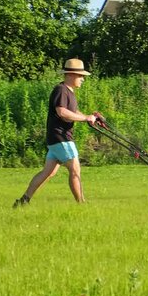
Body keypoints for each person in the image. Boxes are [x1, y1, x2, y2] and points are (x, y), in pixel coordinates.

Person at [13, 58, 97, 208]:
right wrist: (85, 118)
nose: (83, 79)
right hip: (61, 137)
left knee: (48, 172)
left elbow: (72, 111)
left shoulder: (69, 93)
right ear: (71, 75)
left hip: (55, 138)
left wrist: (88, 118)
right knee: (75, 169)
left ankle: (23, 201)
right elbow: (62, 112)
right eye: (81, 76)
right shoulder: (61, 90)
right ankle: (81, 204)